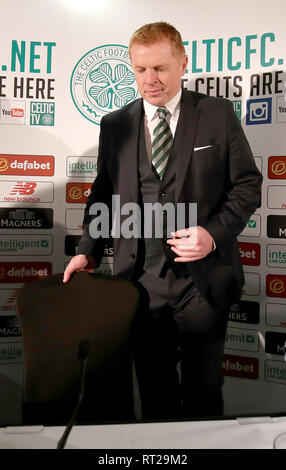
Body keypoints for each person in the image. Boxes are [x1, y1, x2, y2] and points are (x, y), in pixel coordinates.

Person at [63, 22, 262, 420]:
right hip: (139, 282)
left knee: (204, 390)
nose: (149, 80)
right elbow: (103, 194)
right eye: (140, 70)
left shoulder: (217, 115)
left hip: (202, 283)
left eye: (160, 68)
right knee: (154, 392)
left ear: (184, 62)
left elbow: (248, 185)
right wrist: (88, 250)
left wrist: (212, 234)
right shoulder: (114, 124)